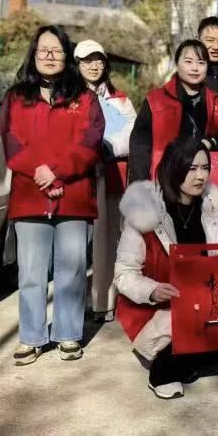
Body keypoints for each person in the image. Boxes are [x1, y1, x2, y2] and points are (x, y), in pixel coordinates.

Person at [114, 137, 218, 399]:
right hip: (160, 308)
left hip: (203, 304)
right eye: (192, 168)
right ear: (173, 168)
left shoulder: (213, 208)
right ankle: (165, 369)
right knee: (194, 339)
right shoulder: (145, 212)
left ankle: (186, 358)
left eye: (205, 168)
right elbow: (124, 273)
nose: (200, 176)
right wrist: (152, 290)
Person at [0, 25, 104, 365]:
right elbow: (12, 142)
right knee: (31, 272)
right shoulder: (15, 98)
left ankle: (68, 334)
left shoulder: (84, 98)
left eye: (56, 50)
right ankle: (31, 337)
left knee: (72, 270)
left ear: (66, 56)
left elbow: (90, 141)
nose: (49, 56)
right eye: (43, 50)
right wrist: (42, 173)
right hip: (30, 196)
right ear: (33, 55)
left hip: (74, 196)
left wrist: (57, 171)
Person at [74, 39, 137, 322]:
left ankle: (104, 303)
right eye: (87, 60)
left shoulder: (120, 99)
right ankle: (75, 305)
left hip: (110, 178)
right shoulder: (68, 98)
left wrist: (107, 147)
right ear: (77, 65)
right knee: (74, 246)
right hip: (76, 179)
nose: (94, 65)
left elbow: (133, 133)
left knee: (107, 241)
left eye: (98, 60)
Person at [128, 39, 218, 184]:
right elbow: (140, 146)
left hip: (205, 181)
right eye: (188, 62)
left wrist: (211, 142)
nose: (195, 68)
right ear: (177, 63)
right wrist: (140, 184)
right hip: (163, 180)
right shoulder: (155, 99)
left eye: (201, 63)